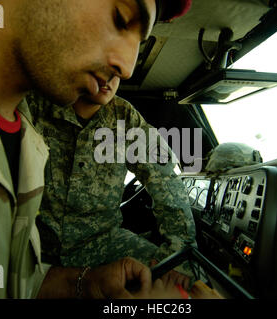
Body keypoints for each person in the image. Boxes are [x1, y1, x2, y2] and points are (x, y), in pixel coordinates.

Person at [0, 0, 191, 298]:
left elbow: (165, 180)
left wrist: (173, 256)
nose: (126, 69)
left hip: (96, 243)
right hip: (42, 245)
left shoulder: (118, 120)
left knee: (178, 284)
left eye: (139, 42)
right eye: (120, 17)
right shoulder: (32, 109)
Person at [26, 76, 197, 276]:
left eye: (117, 72)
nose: (108, 77)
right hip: (36, 241)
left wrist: (179, 249)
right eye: (103, 64)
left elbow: (165, 179)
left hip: (102, 242)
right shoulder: (37, 104)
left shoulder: (124, 117)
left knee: (182, 274)